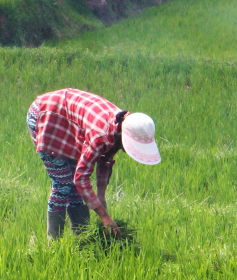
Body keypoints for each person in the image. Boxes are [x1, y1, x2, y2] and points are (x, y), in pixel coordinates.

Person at [27, 88, 160, 239]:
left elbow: (105, 159)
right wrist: (104, 216)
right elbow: (81, 179)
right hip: (46, 116)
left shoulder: (120, 127)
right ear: (124, 136)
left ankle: (81, 239)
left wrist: (101, 195)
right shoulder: (101, 135)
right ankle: (53, 244)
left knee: (76, 189)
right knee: (63, 183)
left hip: (69, 123)